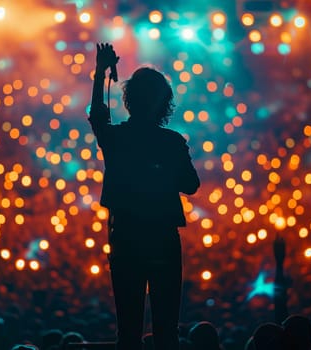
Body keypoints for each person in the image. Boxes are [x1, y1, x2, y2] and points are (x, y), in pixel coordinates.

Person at [88, 43, 200, 350]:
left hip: (125, 237)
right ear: (163, 102)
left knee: (128, 331)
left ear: (129, 99)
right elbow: (191, 185)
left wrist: (100, 74)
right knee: (167, 331)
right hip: (163, 237)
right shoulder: (172, 142)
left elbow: (98, 117)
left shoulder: (116, 138)